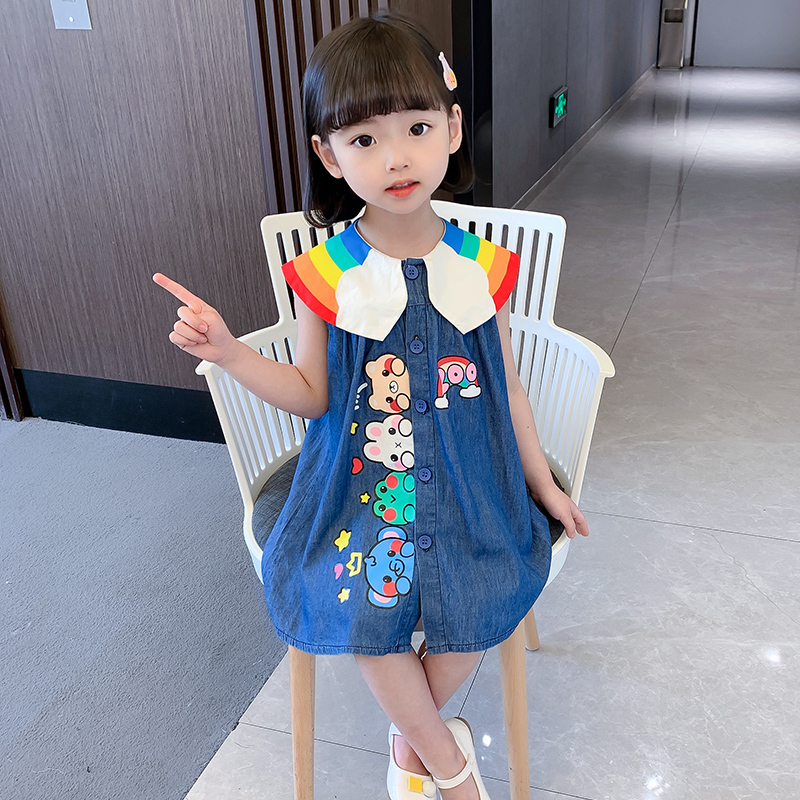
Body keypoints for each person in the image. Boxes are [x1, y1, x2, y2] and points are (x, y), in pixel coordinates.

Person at [154, 13, 588, 800]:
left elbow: (510, 389)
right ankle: (451, 772)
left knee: (487, 592)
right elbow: (311, 395)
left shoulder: (484, 267)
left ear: (452, 128)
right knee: (360, 608)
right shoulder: (326, 274)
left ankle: (410, 747)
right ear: (329, 154)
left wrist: (544, 486)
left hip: (474, 473)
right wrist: (229, 351)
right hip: (358, 483)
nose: (396, 158)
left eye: (417, 127)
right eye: (363, 139)